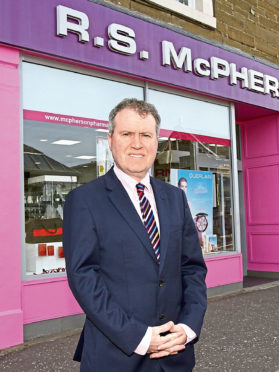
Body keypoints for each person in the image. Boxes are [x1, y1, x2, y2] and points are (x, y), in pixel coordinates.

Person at [63, 98, 208, 371]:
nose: (137, 143)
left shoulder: (175, 198)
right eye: (127, 134)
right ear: (110, 139)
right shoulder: (84, 200)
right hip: (116, 356)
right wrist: (139, 337)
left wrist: (189, 327)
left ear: (156, 142)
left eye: (145, 135)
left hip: (175, 354)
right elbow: (84, 277)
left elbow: (192, 268)